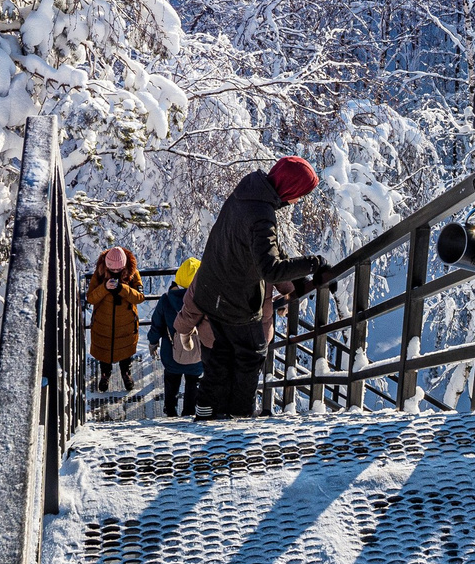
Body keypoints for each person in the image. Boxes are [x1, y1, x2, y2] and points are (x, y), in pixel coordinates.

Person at [178, 156, 326, 419]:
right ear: (290, 189)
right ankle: (241, 415)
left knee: (221, 355)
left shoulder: (246, 194)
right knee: (252, 355)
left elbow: (266, 250)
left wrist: (300, 280)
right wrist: (314, 264)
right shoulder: (262, 215)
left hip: (214, 292)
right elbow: (270, 267)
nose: (299, 201)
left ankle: (205, 409)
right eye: (300, 194)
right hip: (236, 299)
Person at [149, 256, 207, 416]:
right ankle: (189, 412)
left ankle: (170, 410)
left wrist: (152, 342)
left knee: (172, 382)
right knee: (193, 383)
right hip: (198, 354)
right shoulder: (204, 300)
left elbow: (157, 325)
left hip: (171, 354)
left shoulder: (166, 300)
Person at [85, 246, 144, 397]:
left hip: (126, 324)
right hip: (103, 323)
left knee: (125, 352)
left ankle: (126, 373)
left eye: (119, 270)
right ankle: (105, 375)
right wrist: (105, 288)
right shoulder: (99, 274)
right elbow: (91, 298)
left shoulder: (132, 273)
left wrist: (122, 289)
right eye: (113, 270)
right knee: (104, 352)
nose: (116, 272)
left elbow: (139, 297)